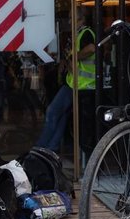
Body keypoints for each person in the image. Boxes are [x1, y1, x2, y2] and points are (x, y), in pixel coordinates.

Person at [36, 9, 95, 152]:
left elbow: (91, 48)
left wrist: (73, 57)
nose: (69, 22)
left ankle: (40, 148)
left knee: (52, 112)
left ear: (81, 20)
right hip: (75, 83)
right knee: (62, 115)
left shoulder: (86, 33)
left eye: (71, 18)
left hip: (80, 85)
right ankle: (51, 147)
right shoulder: (79, 34)